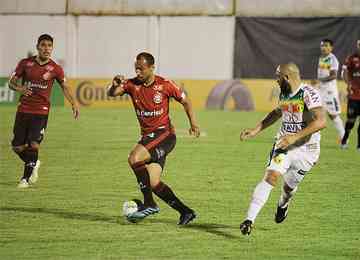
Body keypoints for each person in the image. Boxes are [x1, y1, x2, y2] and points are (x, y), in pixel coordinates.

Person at [107, 52, 200, 225]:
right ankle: (186, 212)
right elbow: (113, 93)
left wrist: (193, 124)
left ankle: (149, 204)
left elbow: (186, 102)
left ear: (151, 68)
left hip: (165, 135)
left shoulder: (165, 85)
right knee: (153, 182)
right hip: (150, 138)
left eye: (141, 69)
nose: (138, 72)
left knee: (134, 158)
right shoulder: (132, 84)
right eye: (136, 68)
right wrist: (113, 86)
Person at [239, 63, 326, 235]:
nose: (276, 79)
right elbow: (277, 113)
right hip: (283, 145)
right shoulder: (284, 93)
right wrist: (255, 129)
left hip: (306, 150)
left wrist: (294, 137)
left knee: (288, 188)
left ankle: (284, 203)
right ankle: (249, 220)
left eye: (278, 76)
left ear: (286, 77)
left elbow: (321, 121)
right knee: (271, 176)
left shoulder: (308, 93)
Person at [8, 34, 79, 188]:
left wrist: (73, 103)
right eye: (43, 45)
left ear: (52, 48)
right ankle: (34, 162)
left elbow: (65, 87)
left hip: (41, 112)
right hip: (23, 109)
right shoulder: (25, 63)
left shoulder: (56, 68)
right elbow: (11, 82)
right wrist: (20, 88)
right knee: (17, 146)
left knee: (34, 144)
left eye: (49, 46)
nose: (46, 48)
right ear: (38, 47)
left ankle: (25, 179)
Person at [317, 39, 345, 142]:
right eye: (322, 45)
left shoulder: (333, 59)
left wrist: (320, 80)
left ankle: (344, 138)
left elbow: (333, 76)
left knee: (333, 115)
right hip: (320, 90)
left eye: (326, 46)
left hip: (329, 92)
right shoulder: (321, 58)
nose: (323, 48)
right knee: (315, 113)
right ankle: (312, 139)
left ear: (331, 47)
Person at [341, 39, 360, 150]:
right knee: (351, 121)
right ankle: (344, 140)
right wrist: (348, 84)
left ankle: (359, 145)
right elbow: (345, 72)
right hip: (354, 96)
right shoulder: (352, 58)